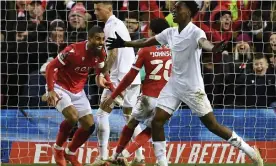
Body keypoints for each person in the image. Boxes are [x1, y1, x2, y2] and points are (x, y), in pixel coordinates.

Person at [105, 1, 264, 166]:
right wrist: (124, 43)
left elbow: (204, 43)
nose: (174, 10)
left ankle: (250, 151)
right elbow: (147, 42)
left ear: (188, 12)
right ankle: (162, 163)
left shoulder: (196, 32)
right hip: (173, 85)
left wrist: (212, 49)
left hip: (192, 88)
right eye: (173, 8)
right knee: (156, 122)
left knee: (213, 126)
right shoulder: (170, 32)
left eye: (178, 8)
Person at [102, 18, 171, 165]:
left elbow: (129, 77)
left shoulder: (145, 49)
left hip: (149, 97)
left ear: (151, 31)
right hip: (168, 99)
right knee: (153, 127)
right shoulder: (174, 48)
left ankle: (116, 155)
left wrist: (114, 95)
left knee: (131, 123)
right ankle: (129, 154)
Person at [44, 26, 106, 166]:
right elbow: (50, 67)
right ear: (89, 39)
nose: (101, 42)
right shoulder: (72, 51)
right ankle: (58, 149)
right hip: (59, 86)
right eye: (97, 38)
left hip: (78, 90)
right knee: (72, 117)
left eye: (103, 39)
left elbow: (101, 69)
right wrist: (50, 90)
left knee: (89, 126)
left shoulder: (101, 52)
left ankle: (70, 153)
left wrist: (101, 77)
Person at [93, 1, 143, 165]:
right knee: (130, 117)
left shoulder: (111, 26)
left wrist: (101, 73)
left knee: (101, 114)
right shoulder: (118, 24)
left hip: (120, 78)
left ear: (108, 9)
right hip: (133, 77)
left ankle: (103, 157)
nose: (95, 12)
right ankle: (139, 158)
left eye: (98, 9)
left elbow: (113, 54)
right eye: (94, 9)